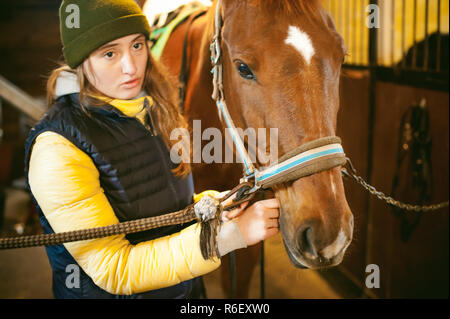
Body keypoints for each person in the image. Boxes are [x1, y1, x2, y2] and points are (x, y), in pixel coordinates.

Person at [25, 0, 280, 299]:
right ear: (82, 62)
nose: (131, 66)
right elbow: (114, 269)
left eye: (137, 46)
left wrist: (213, 204)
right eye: (109, 53)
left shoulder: (153, 109)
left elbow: (161, 204)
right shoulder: (57, 148)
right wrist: (229, 237)